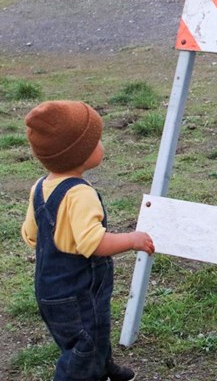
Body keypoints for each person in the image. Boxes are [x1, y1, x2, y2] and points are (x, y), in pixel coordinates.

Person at [21, 100, 155, 381]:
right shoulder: (79, 194)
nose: (101, 145)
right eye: (96, 141)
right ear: (81, 154)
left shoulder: (40, 187)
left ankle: (103, 366)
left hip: (49, 289)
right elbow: (93, 245)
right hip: (79, 290)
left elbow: (32, 236)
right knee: (84, 345)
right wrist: (132, 239)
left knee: (88, 332)